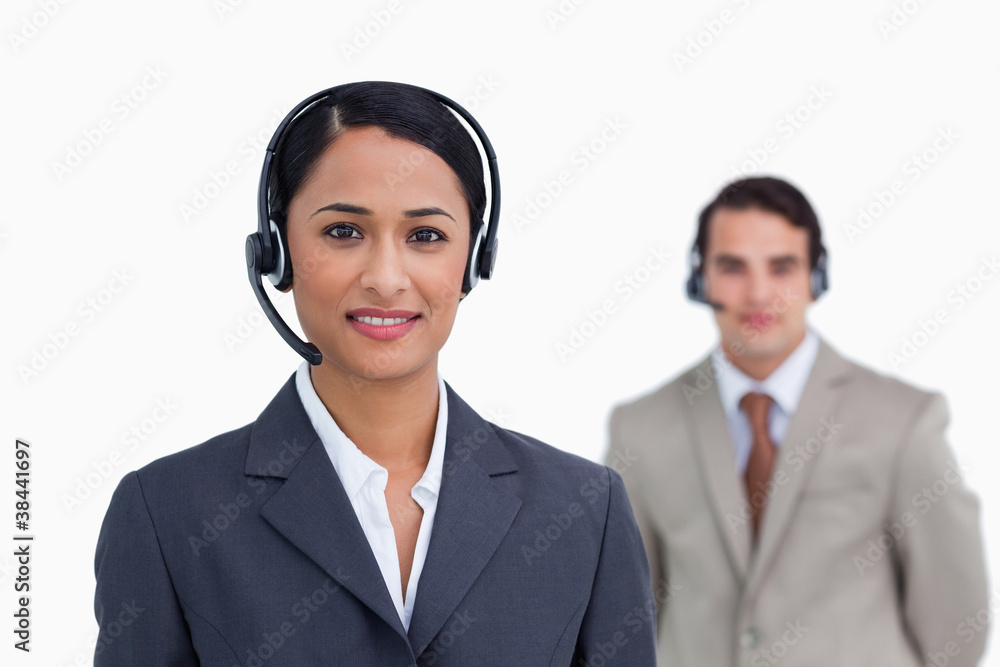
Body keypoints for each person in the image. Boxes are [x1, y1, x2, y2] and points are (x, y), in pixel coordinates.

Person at [94, 82, 656, 666]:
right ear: (276, 254)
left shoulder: (586, 509)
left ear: (475, 259)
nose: (386, 278)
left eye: (426, 236)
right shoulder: (166, 512)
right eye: (343, 232)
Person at [607, 176, 988, 666]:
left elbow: (956, 627)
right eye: (732, 267)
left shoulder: (904, 421)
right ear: (700, 279)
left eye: (782, 267)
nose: (760, 292)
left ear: (816, 277)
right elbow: (625, 620)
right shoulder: (639, 427)